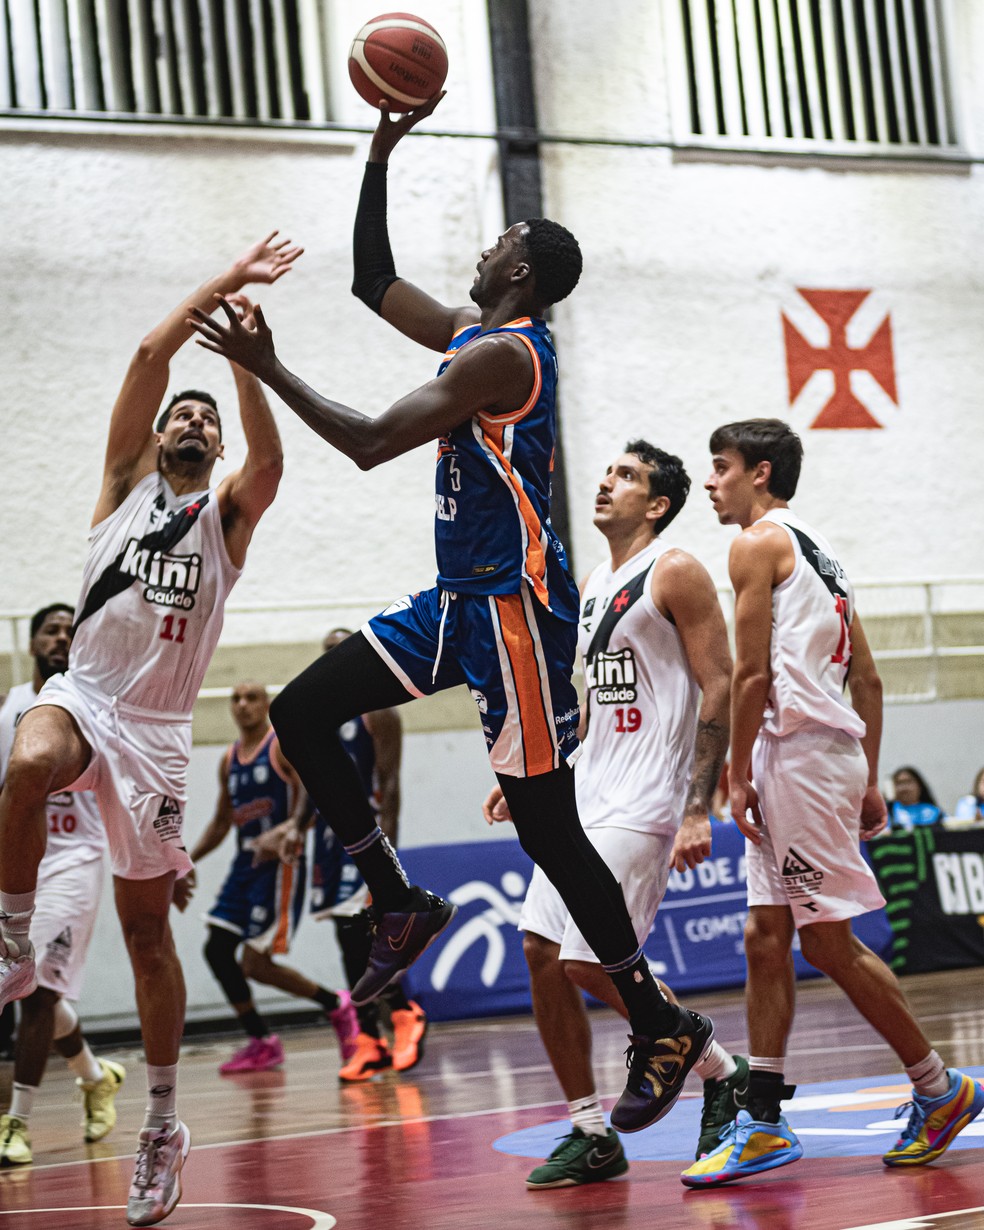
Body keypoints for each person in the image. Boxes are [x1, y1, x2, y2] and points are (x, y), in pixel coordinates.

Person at [189, 98, 713, 1133]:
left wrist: (265, 367)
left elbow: (369, 443)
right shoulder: (478, 336)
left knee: (548, 830)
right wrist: (380, 152)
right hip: (456, 598)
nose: (483, 248)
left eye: (498, 239)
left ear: (521, 268)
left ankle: (659, 1020)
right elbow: (371, 280)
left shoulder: (504, 356)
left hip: (513, 607)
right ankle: (396, 897)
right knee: (301, 713)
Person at [0, 233, 300, 1225]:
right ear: (158, 436)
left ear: (216, 448)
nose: (192, 422)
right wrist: (225, 283)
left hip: (159, 737)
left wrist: (246, 367)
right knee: (29, 758)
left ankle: (163, 1123)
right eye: (183, 413)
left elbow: (271, 459)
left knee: (147, 939)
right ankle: (11, 939)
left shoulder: (229, 518)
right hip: (86, 696)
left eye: (205, 420)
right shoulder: (123, 486)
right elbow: (145, 356)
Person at [682, 418, 984, 1187]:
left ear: (760, 472)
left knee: (825, 944)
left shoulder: (755, 544)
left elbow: (751, 675)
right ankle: (762, 1120)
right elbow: (869, 679)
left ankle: (939, 1088)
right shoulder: (824, 555)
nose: (710, 482)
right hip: (820, 756)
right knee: (764, 936)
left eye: (720, 467)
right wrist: (870, 777)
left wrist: (736, 773)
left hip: (799, 757)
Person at [483, 442, 746, 1188]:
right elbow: (597, 708)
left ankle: (717, 1068)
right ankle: (591, 1132)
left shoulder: (676, 569)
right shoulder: (596, 582)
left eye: (626, 476)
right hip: (586, 795)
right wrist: (540, 779)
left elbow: (720, 684)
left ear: (658, 503)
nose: (606, 483)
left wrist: (698, 805)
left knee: (587, 960)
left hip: (646, 797)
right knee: (540, 953)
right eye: (607, 473)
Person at [0, 605, 125, 1166]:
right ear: (32, 644)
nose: (61, 637)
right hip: (20, 862)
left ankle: (16, 1123)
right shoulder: (8, 711)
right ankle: (95, 1077)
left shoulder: (95, 707)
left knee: (39, 990)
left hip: (75, 861)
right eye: (50, 630)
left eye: (70, 631)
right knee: (29, 989)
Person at [183, 681, 357, 1075]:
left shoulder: (280, 746)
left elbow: (314, 790)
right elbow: (222, 821)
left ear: (266, 705)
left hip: (281, 864)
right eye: (236, 698)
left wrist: (291, 827)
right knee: (217, 950)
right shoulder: (229, 759)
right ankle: (262, 1041)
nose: (242, 705)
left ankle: (336, 1005)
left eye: (252, 698)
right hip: (244, 865)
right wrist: (186, 860)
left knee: (256, 965)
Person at [308, 628, 426, 1082]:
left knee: (367, 936)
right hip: (329, 840)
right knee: (346, 939)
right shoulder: (316, 710)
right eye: (327, 651)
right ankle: (369, 1040)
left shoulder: (378, 710)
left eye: (340, 648)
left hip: (367, 837)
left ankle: (404, 1013)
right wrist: (295, 829)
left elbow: (389, 785)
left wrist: (385, 855)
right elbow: (311, 783)